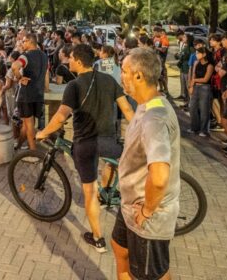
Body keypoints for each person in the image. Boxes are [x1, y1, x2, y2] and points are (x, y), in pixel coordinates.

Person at [36, 44, 134, 253]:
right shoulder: (109, 80)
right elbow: (127, 109)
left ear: (79, 62)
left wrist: (43, 132)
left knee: (89, 191)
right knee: (111, 164)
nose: (68, 61)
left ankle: (98, 238)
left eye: (70, 58)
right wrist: (139, 134)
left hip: (86, 144)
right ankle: (108, 191)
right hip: (108, 140)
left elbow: (61, 116)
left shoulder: (74, 85)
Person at [113, 47, 181, 280]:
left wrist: (148, 209)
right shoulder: (148, 104)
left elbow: (160, 177)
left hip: (148, 216)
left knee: (151, 274)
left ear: (139, 76)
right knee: (119, 248)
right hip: (130, 206)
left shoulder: (155, 118)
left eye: (123, 71)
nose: (120, 74)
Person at [11, 33, 48, 151]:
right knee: (27, 123)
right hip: (38, 94)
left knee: (29, 124)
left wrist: (19, 77)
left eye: (23, 41)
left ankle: (33, 152)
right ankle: (19, 145)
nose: (22, 43)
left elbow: (14, 66)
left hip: (26, 95)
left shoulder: (25, 56)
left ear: (30, 42)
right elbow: (46, 74)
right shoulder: (44, 55)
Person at [187, 47, 214, 137]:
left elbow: (206, 79)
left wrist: (194, 80)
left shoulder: (210, 66)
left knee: (204, 109)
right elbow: (193, 75)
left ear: (204, 54)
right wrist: (191, 86)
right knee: (192, 107)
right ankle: (194, 127)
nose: (196, 55)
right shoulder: (197, 63)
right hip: (196, 87)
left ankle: (204, 130)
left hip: (205, 88)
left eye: (198, 53)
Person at [176, 33, 194, 103]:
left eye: (184, 37)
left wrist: (180, 56)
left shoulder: (191, 48)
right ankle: (185, 100)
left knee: (187, 86)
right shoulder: (184, 46)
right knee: (184, 84)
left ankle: (189, 102)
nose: (183, 38)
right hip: (183, 68)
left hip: (187, 68)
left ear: (188, 39)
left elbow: (190, 58)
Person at [153, 27, 170, 94]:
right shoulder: (156, 38)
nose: (153, 33)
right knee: (158, 75)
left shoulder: (164, 38)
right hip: (157, 58)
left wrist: (156, 48)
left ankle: (166, 89)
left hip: (161, 59)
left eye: (154, 32)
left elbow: (163, 50)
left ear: (158, 32)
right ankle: (161, 88)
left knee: (161, 75)